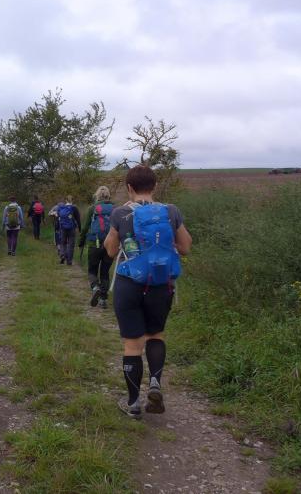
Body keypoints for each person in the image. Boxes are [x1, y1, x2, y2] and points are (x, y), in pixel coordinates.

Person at [104, 165, 192, 419]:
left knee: (133, 345)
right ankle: (154, 382)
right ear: (155, 186)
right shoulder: (171, 211)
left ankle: (133, 404)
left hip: (129, 283)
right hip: (161, 284)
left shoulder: (120, 213)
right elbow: (185, 247)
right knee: (156, 335)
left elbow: (111, 250)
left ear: (129, 187)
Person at [79, 186, 115, 309]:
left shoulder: (92, 208)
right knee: (105, 272)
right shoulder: (115, 209)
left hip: (95, 243)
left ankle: (95, 287)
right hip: (110, 244)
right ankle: (103, 300)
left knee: (92, 270)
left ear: (97, 196)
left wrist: (81, 242)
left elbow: (85, 228)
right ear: (108, 195)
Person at [56, 196, 81, 265]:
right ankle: (69, 261)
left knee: (63, 242)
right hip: (72, 228)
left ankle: (62, 255)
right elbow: (78, 219)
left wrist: (57, 227)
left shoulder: (61, 208)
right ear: (72, 200)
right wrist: (80, 228)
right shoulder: (74, 208)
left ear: (66, 200)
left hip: (63, 228)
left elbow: (58, 218)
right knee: (71, 244)